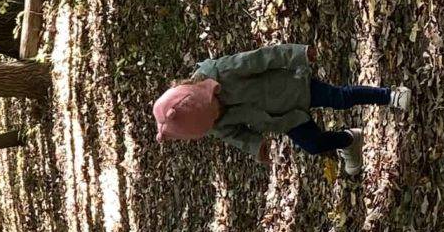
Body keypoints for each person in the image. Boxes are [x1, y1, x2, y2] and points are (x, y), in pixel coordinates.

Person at [151, 42, 411, 175]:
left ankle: (388, 95)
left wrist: (297, 54)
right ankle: (349, 140)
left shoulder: (224, 72)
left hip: (293, 88)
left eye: (214, 109)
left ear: (206, 91)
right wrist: (256, 147)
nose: (218, 116)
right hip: (284, 119)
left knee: (341, 98)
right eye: (213, 120)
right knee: (313, 145)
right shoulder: (210, 123)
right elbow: (236, 135)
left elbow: (262, 58)